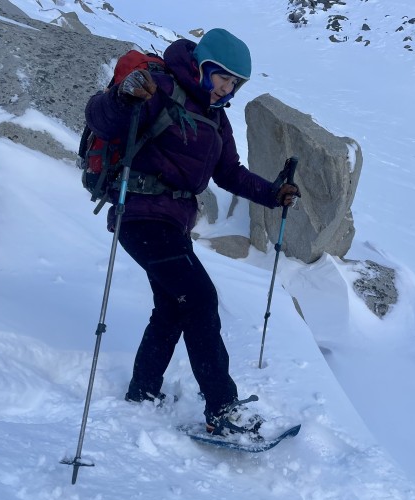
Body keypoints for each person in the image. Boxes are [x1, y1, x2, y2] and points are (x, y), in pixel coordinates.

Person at [84, 28, 300, 436]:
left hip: (174, 221)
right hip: (142, 216)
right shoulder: (159, 88)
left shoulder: (217, 119)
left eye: (235, 83)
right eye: (224, 78)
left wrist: (274, 194)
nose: (228, 89)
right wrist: (124, 95)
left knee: (173, 306)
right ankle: (222, 410)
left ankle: (143, 390)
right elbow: (102, 118)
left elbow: (229, 173)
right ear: (204, 67)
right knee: (200, 299)